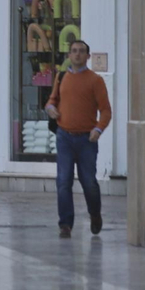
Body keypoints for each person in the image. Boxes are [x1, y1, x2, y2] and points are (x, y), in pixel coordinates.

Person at [45, 39, 111, 238]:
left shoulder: (95, 80)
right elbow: (52, 100)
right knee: (63, 181)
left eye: (82, 51)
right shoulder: (61, 77)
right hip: (64, 136)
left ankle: (95, 214)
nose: (77, 54)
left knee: (89, 182)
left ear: (88, 56)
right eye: (74, 51)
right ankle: (65, 224)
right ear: (68, 56)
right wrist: (50, 109)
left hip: (86, 140)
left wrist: (98, 129)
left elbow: (106, 110)